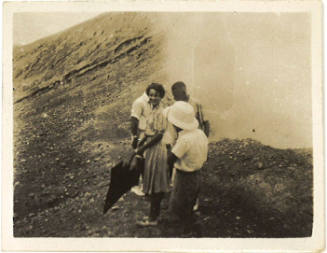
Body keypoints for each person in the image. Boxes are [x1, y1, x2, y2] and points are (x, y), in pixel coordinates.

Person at [167, 101, 208, 235]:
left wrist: (168, 150)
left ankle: (186, 229)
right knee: (190, 201)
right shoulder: (200, 134)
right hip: (197, 173)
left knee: (181, 203)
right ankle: (190, 224)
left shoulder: (184, 140)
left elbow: (171, 158)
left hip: (184, 176)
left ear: (176, 124)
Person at [133, 83, 170, 226]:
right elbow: (148, 131)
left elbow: (159, 135)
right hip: (150, 146)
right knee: (153, 180)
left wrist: (143, 148)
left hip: (156, 148)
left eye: (156, 95)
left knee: (156, 183)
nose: (153, 97)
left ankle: (153, 218)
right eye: (151, 94)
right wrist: (140, 143)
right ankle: (154, 213)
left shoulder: (162, 111)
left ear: (161, 96)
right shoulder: (153, 109)